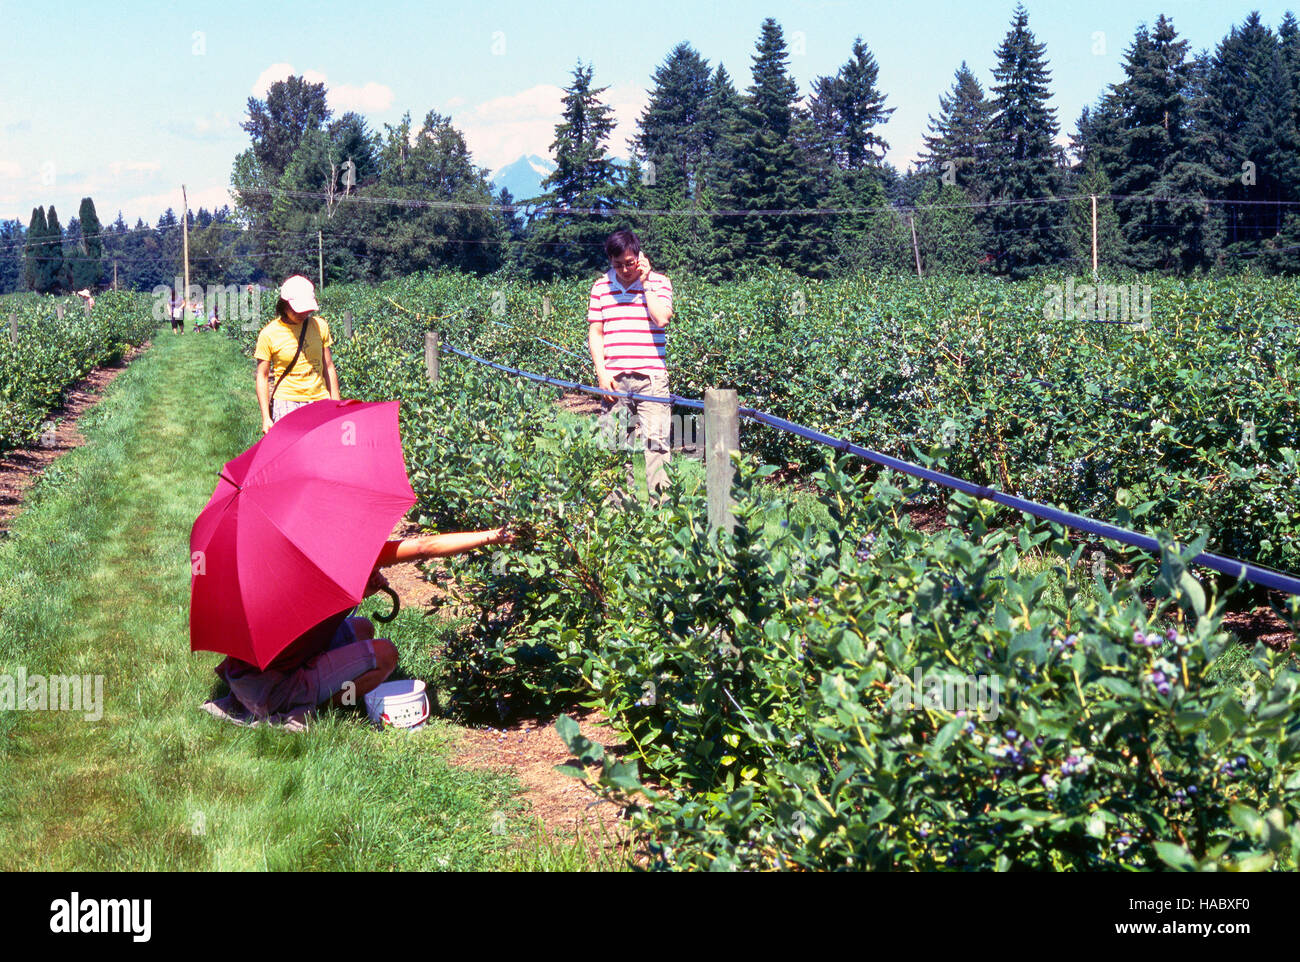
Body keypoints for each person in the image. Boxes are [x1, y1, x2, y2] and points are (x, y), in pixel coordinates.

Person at [209, 526, 518, 729]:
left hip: (263, 667)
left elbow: (424, 547)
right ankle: (327, 705)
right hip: (271, 687)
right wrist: (495, 536)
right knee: (385, 655)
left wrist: (363, 590)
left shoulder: (308, 549)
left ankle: (323, 684)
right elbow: (426, 546)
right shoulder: (321, 565)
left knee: (362, 628)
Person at [587, 229, 675, 504]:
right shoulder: (600, 288)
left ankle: (663, 516)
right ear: (610, 261)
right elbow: (596, 334)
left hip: (652, 379)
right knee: (613, 447)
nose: (625, 269)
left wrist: (646, 283)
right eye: (618, 264)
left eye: (629, 262)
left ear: (639, 256)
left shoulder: (660, 283)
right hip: (614, 380)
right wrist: (601, 373)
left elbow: (661, 319)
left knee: (657, 446)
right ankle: (619, 517)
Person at [255, 275, 340, 433]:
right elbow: (262, 376)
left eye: (307, 310)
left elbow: (328, 366)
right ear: (284, 305)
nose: (303, 314)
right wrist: (266, 417)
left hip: (319, 399)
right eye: (298, 309)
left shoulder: (320, 326)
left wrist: (336, 402)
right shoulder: (269, 334)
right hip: (287, 402)